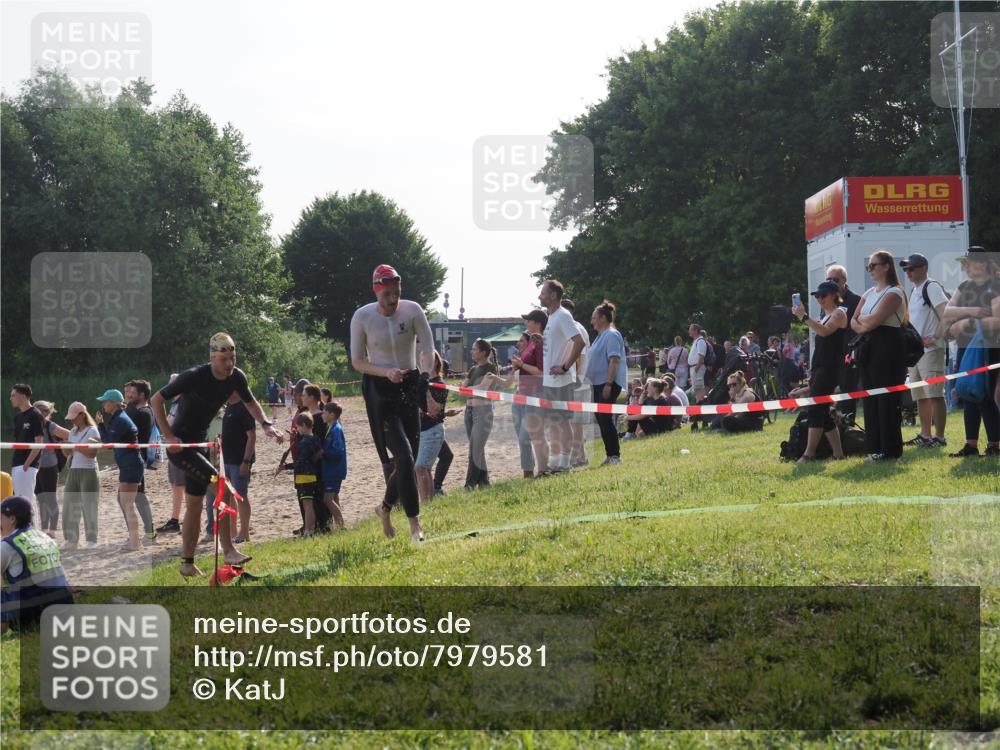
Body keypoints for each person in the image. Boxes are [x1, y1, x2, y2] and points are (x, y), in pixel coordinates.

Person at [150, 332, 283, 576]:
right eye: (224, 359)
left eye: (232, 358)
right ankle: (229, 549)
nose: (230, 364)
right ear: (212, 358)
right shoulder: (194, 376)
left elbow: (250, 402)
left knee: (195, 504)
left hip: (199, 445)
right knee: (224, 490)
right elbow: (156, 399)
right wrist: (168, 436)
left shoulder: (236, 377)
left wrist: (265, 424)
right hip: (181, 448)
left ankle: (187, 563)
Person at [351, 264, 433, 542]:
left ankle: (384, 508)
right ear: (377, 291)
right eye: (387, 294)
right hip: (380, 389)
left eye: (396, 293)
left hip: (409, 385)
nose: (393, 299)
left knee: (408, 460)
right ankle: (415, 525)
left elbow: (427, 347)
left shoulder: (413, 311)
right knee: (405, 456)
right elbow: (357, 361)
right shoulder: (362, 317)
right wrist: (385, 372)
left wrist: (425, 375)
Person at [941, 246, 1000, 458]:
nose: (966, 267)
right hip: (966, 348)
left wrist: (969, 323)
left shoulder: (995, 286)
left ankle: (994, 444)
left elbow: (997, 320)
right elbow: (948, 311)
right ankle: (970, 445)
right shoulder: (964, 286)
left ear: (984, 263)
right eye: (965, 263)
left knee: (986, 394)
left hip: (988, 349)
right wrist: (969, 313)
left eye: (971, 262)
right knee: (968, 394)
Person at [850, 249, 907, 461]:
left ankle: (890, 449)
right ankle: (874, 447)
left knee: (887, 399)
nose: (870, 269)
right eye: (869, 266)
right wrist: (866, 322)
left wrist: (864, 322)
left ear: (886, 267)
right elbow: (853, 321)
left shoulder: (895, 292)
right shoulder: (868, 293)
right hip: (869, 348)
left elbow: (872, 321)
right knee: (871, 399)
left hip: (888, 347)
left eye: (874, 265)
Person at [1, 496, 73, 633]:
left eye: (0, 518)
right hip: (65, 611)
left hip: (33, 617)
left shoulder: (8, 546)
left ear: (12, 519)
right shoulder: (45, 538)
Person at [793, 280, 847, 461]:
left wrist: (804, 318)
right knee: (822, 412)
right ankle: (838, 454)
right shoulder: (825, 315)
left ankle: (809, 453)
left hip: (830, 369)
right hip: (819, 368)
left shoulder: (839, 313)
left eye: (823, 295)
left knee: (815, 409)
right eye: (817, 296)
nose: (820, 299)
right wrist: (811, 373)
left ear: (834, 295)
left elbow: (825, 332)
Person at [900, 253, 950, 448]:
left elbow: (946, 313)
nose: (908, 272)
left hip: (931, 351)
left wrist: (936, 336)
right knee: (920, 395)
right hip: (916, 353)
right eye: (906, 269)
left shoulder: (932, 287)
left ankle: (940, 437)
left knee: (936, 394)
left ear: (923, 268)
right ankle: (925, 434)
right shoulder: (914, 290)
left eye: (911, 268)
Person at [539, 280, 586, 473]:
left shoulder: (563, 315)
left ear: (553, 295)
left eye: (542, 292)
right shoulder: (551, 317)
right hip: (550, 380)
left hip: (561, 379)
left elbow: (579, 341)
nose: (539, 296)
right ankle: (557, 461)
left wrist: (565, 367)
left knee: (563, 421)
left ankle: (565, 463)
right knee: (554, 422)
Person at [96, 389, 144, 551]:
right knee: (122, 500)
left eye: (105, 401)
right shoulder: (118, 418)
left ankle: (135, 542)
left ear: (113, 403)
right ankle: (134, 538)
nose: (103, 404)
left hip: (131, 465)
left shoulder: (120, 420)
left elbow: (109, 443)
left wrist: (100, 425)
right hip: (128, 464)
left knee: (127, 503)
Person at [587, 300, 627, 466]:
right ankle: (610, 455)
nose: (592, 321)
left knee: (605, 418)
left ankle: (614, 456)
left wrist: (609, 384)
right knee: (601, 418)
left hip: (607, 383)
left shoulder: (611, 334)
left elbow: (614, 360)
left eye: (594, 317)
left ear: (603, 318)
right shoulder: (600, 337)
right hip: (598, 384)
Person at [512, 310, 548, 476]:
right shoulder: (532, 343)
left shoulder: (539, 343)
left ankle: (542, 470)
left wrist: (522, 365)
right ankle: (529, 471)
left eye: (529, 321)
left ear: (538, 323)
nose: (526, 323)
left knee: (533, 435)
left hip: (535, 393)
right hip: (523, 394)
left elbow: (541, 372)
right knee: (524, 437)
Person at [61, 402, 101, 549]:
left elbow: (92, 453)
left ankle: (92, 540)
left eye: (74, 417)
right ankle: (71, 540)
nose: (72, 420)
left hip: (89, 471)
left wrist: (75, 446)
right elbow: (68, 454)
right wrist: (65, 447)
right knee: (69, 506)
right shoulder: (72, 431)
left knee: (89, 506)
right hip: (73, 470)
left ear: (82, 415)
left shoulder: (93, 431)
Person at [826, 264, 863, 418]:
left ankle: (848, 427)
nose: (832, 283)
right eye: (828, 280)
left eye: (835, 279)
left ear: (844, 280)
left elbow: (861, 327)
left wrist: (854, 350)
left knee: (847, 392)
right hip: (832, 354)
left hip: (849, 353)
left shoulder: (855, 300)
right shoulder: (828, 300)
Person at [462, 338, 499, 489]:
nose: (471, 351)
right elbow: (463, 392)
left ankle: (469, 485)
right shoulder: (472, 369)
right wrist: (473, 388)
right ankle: (484, 482)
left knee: (474, 450)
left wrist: (472, 388)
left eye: (474, 349)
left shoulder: (492, 368)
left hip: (483, 412)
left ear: (483, 352)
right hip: (469, 411)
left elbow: (483, 389)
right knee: (477, 448)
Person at [124, 380, 157, 542]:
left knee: (132, 497)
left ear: (142, 394)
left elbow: (127, 429)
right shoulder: (137, 410)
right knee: (136, 496)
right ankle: (146, 531)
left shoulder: (144, 412)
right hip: (132, 459)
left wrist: (124, 407)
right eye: (127, 392)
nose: (128, 395)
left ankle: (142, 533)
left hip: (136, 459)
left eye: (132, 393)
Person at [221, 392, 256, 542]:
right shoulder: (229, 407)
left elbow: (252, 435)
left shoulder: (244, 407)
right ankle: (232, 531)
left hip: (239, 461)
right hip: (227, 461)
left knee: (241, 496)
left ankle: (244, 532)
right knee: (228, 497)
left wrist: (246, 461)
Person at [8, 384, 44, 527]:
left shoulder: (35, 414)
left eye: (13, 395)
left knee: (27, 499)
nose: (11, 398)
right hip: (17, 464)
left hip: (27, 465)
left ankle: (33, 530)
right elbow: (18, 441)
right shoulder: (17, 417)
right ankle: (24, 529)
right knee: (19, 499)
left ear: (22, 396)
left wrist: (27, 464)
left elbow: (39, 443)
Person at [156, 374, 186, 535]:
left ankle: (187, 520)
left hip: (182, 452)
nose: (169, 388)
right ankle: (175, 520)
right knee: (176, 486)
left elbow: (171, 425)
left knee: (186, 487)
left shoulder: (183, 403)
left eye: (172, 385)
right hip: (173, 452)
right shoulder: (175, 403)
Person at [31, 401, 67, 536]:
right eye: (40, 410)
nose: (43, 413)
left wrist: (57, 446)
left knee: (50, 498)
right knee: (40, 500)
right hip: (35, 467)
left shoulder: (50, 425)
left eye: (45, 411)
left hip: (49, 466)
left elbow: (72, 436)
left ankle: (52, 531)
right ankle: (44, 529)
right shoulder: (33, 426)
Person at [290, 413, 323, 536]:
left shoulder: (303, 442)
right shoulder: (315, 438)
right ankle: (311, 529)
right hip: (313, 475)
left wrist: (286, 466)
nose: (297, 429)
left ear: (303, 425)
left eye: (298, 427)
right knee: (309, 504)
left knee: (307, 505)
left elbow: (300, 462)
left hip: (304, 477)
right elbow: (319, 453)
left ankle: (309, 530)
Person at [320, 402, 348, 529]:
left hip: (334, 470)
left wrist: (323, 453)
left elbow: (338, 451)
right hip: (332, 469)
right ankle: (339, 526)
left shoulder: (336, 429)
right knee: (334, 497)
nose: (322, 414)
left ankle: (341, 527)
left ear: (331, 414)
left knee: (327, 499)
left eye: (324, 412)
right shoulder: (331, 427)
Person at [687, 325, 709, 402]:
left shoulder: (700, 341)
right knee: (697, 389)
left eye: (690, 330)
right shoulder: (696, 341)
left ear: (696, 331)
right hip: (695, 368)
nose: (689, 331)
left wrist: (696, 369)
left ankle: (701, 407)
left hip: (697, 368)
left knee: (699, 389)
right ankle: (699, 406)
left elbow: (701, 356)